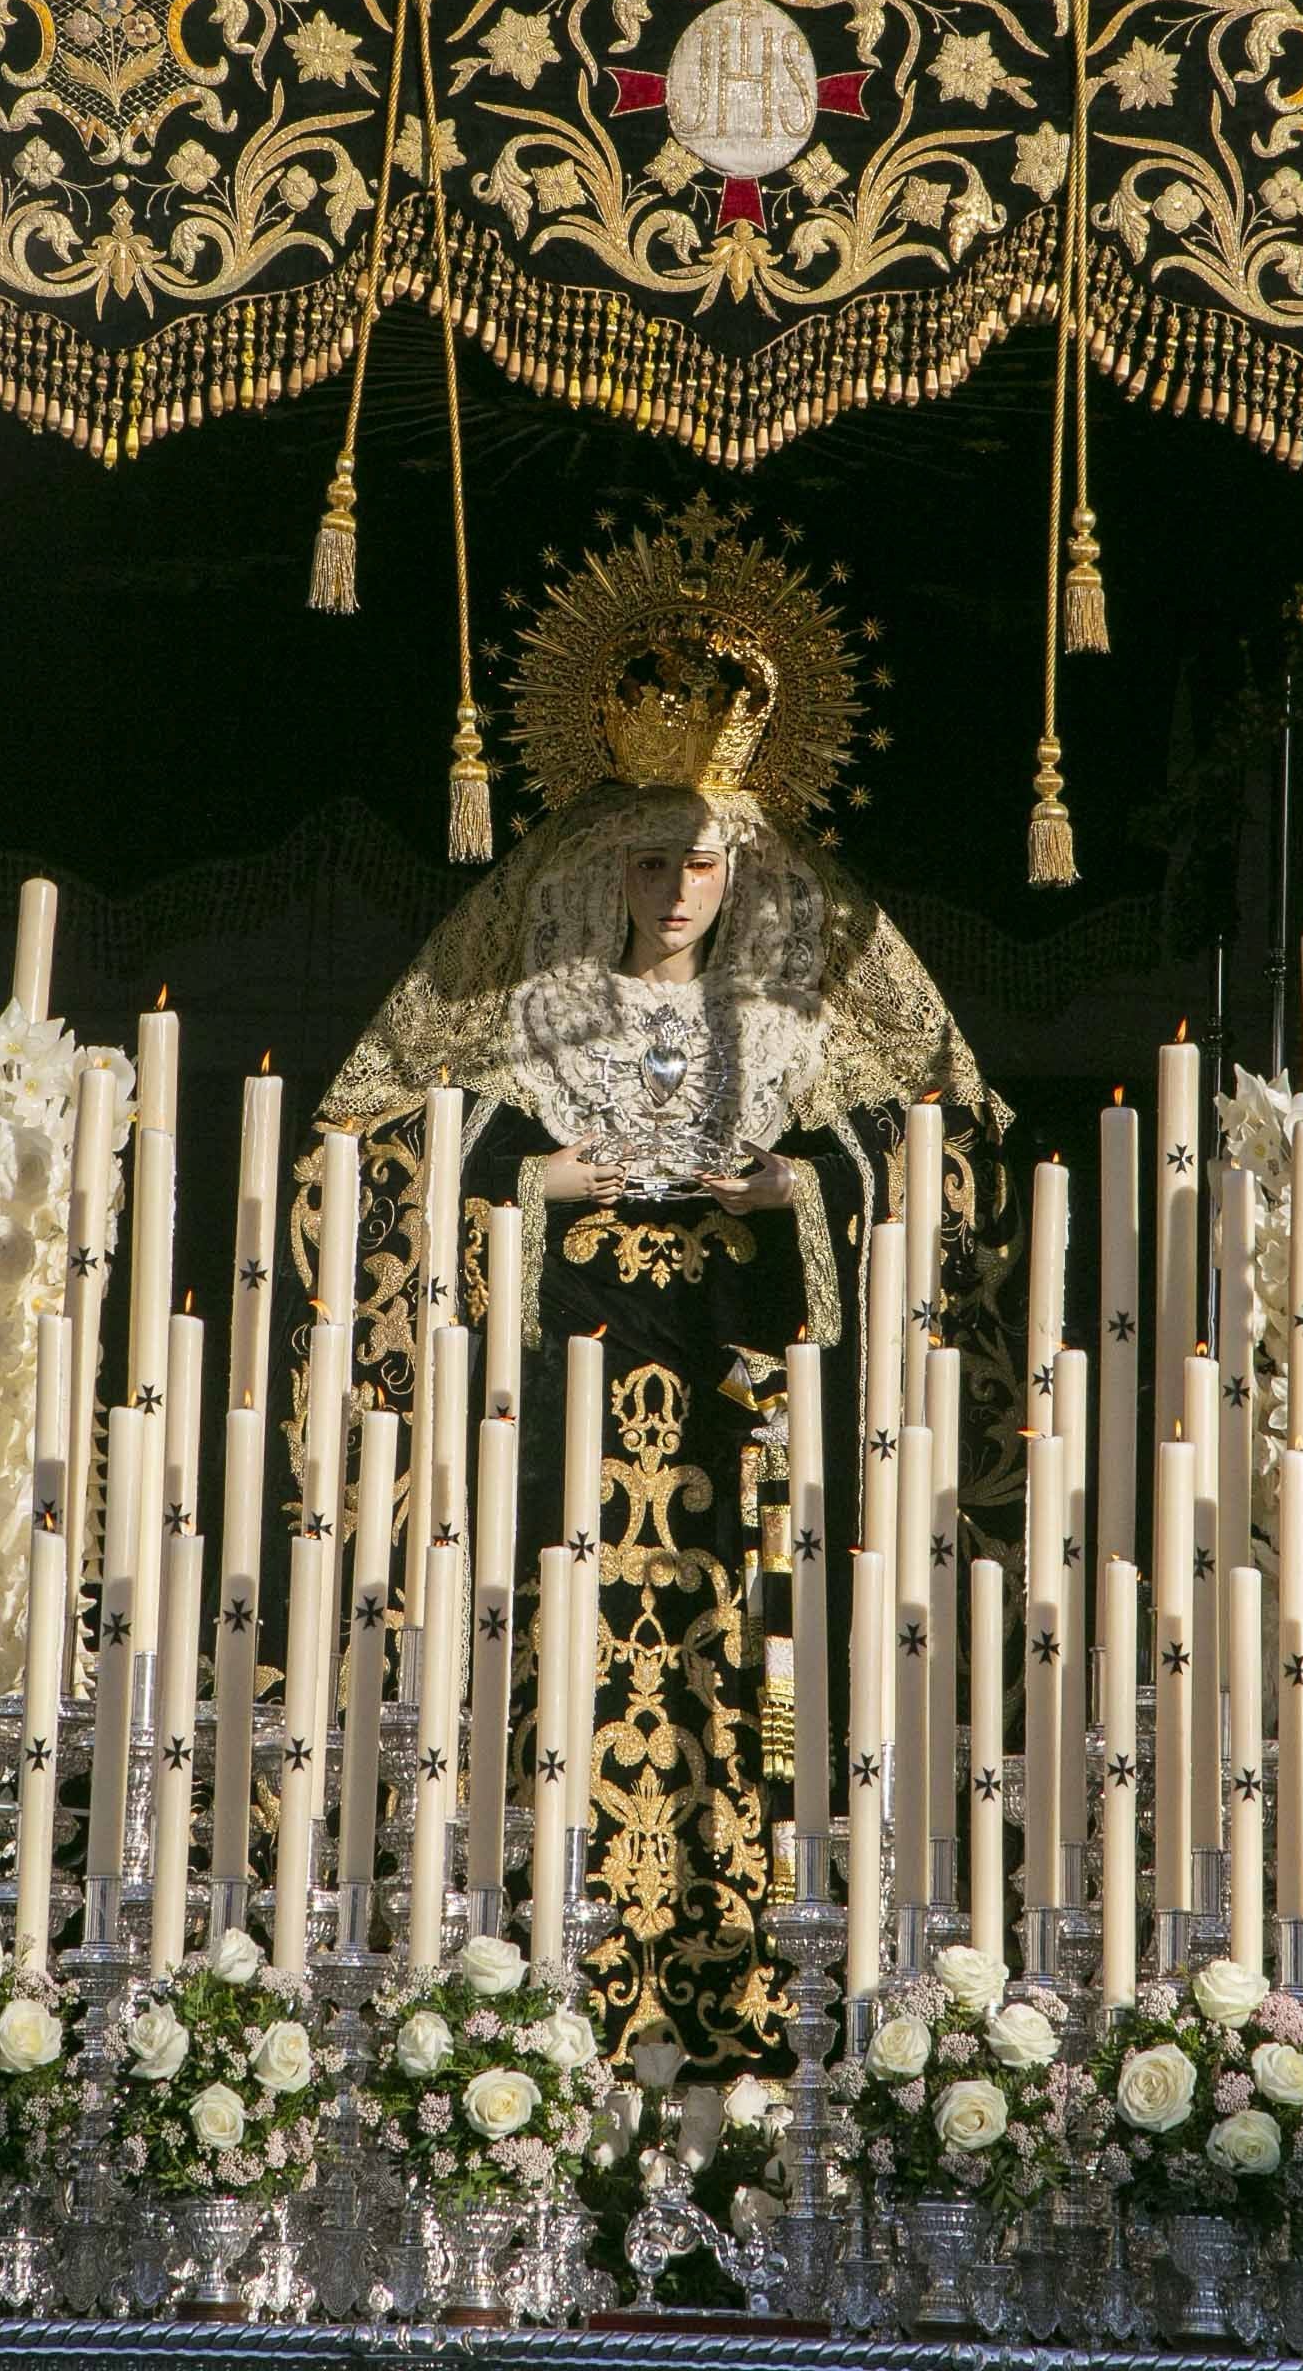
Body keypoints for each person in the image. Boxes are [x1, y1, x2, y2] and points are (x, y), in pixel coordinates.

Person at [298, 501, 1014, 2066]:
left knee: (753, 1691)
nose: (676, 887)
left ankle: (768, 2000)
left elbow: (944, 1163)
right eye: (647, 859)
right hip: (562, 1410)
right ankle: (544, 1997)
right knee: (557, 1665)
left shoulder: (806, 1024)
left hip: (753, 1420)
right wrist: (520, 1180)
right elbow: (372, 1148)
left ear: (742, 869)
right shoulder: (534, 1009)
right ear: (602, 865)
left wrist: (800, 1183)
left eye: (701, 861)